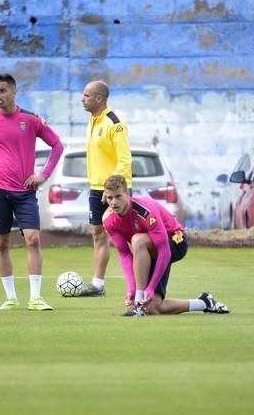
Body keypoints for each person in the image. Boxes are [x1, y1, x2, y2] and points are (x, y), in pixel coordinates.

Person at [0, 74, 63, 311]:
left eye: (3, 91)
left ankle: (36, 298)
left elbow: (57, 146)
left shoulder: (31, 119)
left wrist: (43, 175)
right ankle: (10, 298)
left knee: (33, 239)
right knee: (2, 243)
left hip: (26, 191)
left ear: (14, 92)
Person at [101, 174, 229, 316]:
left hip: (175, 242)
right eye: (110, 198)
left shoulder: (145, 211)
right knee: (154, 307)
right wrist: (131, 288)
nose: (113, 202)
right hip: (149, 249)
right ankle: (204, 302)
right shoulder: (108, 220)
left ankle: (138, 305)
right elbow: (125, 254)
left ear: (127, 193)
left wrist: (150, 287)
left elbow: (164, 251)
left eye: (118, 196)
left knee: (138, 240)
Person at [78, 80, 133, 297]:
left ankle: (140, 286)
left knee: (130, 238)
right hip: (95, 188)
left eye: (86, 96)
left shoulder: (115, 123)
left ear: (99, 98)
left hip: (114, 191)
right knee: (98, 235)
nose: (82, 100)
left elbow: (124, 161)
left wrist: (111, 192)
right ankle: (98, 285)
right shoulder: (92, 120)